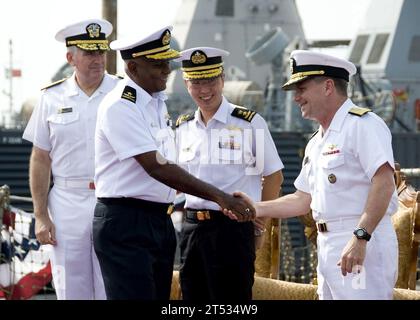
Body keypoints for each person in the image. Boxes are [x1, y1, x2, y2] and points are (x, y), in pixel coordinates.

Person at [93, 26, 255, 300]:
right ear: (133, 67)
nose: (167, 70)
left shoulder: (156, 103)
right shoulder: (120, 105)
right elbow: (157, 166)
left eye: (167, 62)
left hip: (159, 220)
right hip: (127, 223)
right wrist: (221, 197)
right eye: (158, 64)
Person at [226, 50, 399, 300]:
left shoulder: (362, 125)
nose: (296, 98)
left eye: (302, 88)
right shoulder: (317, 141)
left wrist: (361, 237)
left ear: (328, 86)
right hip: (329, 245)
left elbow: (384, 182)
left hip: (361, 241)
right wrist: (255, 207)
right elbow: (302, 200)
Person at [174, 47, 284, 300]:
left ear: (222, 79)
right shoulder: (183, 127)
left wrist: (258, 226)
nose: (205, 90)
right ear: (186, 83)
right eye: (197, 82)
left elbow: (273, 176)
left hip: (232, 229)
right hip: (192, 229)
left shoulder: (247, 123)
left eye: (211, 80)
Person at [22, 18, 120, 299]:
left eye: (101, 51)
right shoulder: (51, 98)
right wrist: (41, 216)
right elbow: (41, 158)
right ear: (70, 57)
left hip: (113, 198)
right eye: (89, 52)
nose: (97, 59)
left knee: (111, 286)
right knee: (70, 287)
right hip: (67, 202)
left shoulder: (124, 94)